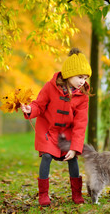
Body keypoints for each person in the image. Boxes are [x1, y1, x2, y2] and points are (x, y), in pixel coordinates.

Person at [21, 47, 92, 206]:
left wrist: (75, 147)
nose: (83, 81)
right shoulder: (50, 87)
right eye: (80, 77)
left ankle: (76, 193)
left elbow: (80, 125)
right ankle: (43, 195)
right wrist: (30, 109)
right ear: (68, 74)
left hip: (66, 135)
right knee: (46, 156)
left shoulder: (82, 97)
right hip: (49, 130)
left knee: (72, 159)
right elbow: (39, 104)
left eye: (85, 77)